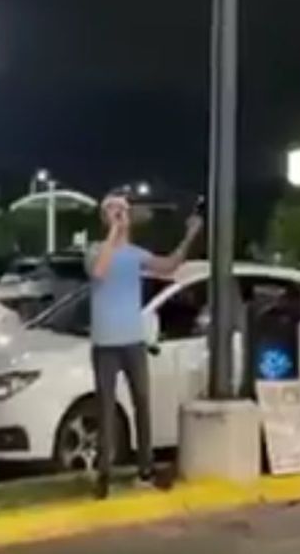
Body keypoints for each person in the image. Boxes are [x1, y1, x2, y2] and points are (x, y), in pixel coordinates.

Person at [87, 194, 202, 499]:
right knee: (106, 406)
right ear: (104, 217)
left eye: (122, 210)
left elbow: (169, 267)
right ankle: (104, 473)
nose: (119, 214)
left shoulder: (136, 254)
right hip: (104, 343)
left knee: (142, 401)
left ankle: (145, 468)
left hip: (133, 340)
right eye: (112, 210)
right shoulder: (96, 250)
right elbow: (99, 272)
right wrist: (113, 233)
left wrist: (191, 235)